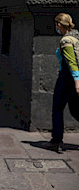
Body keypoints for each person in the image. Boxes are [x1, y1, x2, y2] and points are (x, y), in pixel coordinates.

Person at [49, 13, 79, 150]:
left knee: (57, 108)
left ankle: (57, 140)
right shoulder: (76, 36)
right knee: (75, 110)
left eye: (57, 25)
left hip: (67, 78)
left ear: (59, 25)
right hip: (73, 78)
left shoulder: (65, 41)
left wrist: (77, 81)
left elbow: (72, 62)